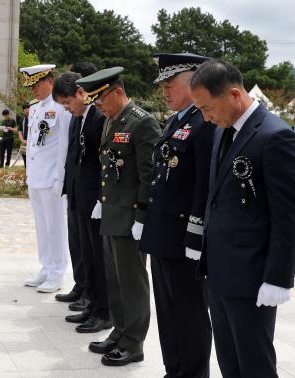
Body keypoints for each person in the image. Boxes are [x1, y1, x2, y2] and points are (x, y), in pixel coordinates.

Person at [191, 59, 295, 378]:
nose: (206, 118)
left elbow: (287, 216)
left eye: (208, 108)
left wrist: (279, 277)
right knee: (230, 362)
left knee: (255, 364)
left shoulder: (275, 136)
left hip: (252, 275)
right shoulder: (224, 131)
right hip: (220, 271)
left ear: (234, 95)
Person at [139, 53, 214, 378]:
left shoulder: (204, 123)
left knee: (190, 313)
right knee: (168, 313)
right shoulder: (176, 120)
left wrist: (196, 236)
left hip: (185, 239)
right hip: (163, 235)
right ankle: (175, 370)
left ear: (194, 80)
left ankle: (193, 373)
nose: (165, 92)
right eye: (163, 86)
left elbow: (202, 186)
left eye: (171, 84)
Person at [79, 67, 161, 366]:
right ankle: (119, 331)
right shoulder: (111, 120)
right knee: (115, 280)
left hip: (130, 217)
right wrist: (103, 201)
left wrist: (142, 215)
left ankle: (133, 342)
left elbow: (148, 174)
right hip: (112, 211)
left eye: (99, 98)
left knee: (132, 282)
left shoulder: (142, 122)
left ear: (116, 91)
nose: (96, 105)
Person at [52, 68, 112, 334]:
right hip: (78, 194)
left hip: (94, 199)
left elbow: (102, 163)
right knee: (84, 251)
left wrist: (101, 198)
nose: (67, 109)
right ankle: (90, 299)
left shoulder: (99, 117)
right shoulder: (79, 117)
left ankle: (103, 310)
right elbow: (74, 156)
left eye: (67, 103)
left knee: (98, 255)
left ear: (81, 93)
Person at [20, 64, 72, 293]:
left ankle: (58, 272)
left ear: (50, 81)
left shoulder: (61, 108)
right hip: (36, 177)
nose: (33, 90)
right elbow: (33, 145)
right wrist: (28, 173)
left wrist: (60, 178)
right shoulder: (36, 108)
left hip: (52, 178)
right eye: (30, 86)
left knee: (56, 227)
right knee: (41, 226)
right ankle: (46, 266)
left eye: (37, 84)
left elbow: (64, 145)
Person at [17, 100, 35, 168]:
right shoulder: (22, 119)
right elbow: (19, 131)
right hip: (25, 144)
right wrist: (22, 140)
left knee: (33, 162)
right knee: (26, 162)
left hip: (33, 144)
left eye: (28, 108)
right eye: (24, 108)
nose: (26, 110)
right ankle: (27, 176)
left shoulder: (35, 118)